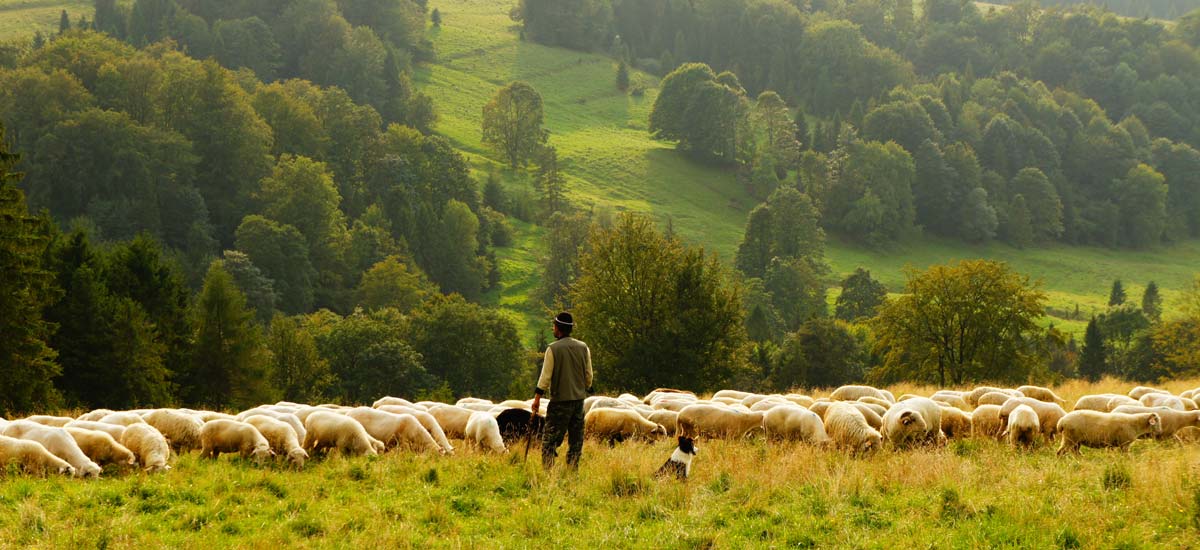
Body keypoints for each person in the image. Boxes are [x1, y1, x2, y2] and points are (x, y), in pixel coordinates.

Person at [532, 312, 593, 469]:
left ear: (558, 328)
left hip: (559, 403)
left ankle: (548, 472)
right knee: (576, 441)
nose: (553, 328)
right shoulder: (583, 347)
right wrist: (584, 388)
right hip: (579, 402)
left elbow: (545, 377)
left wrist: (537, 398)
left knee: (550, 441)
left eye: (554, 325)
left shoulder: (553, 349)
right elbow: (588, 375)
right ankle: (572, 471)